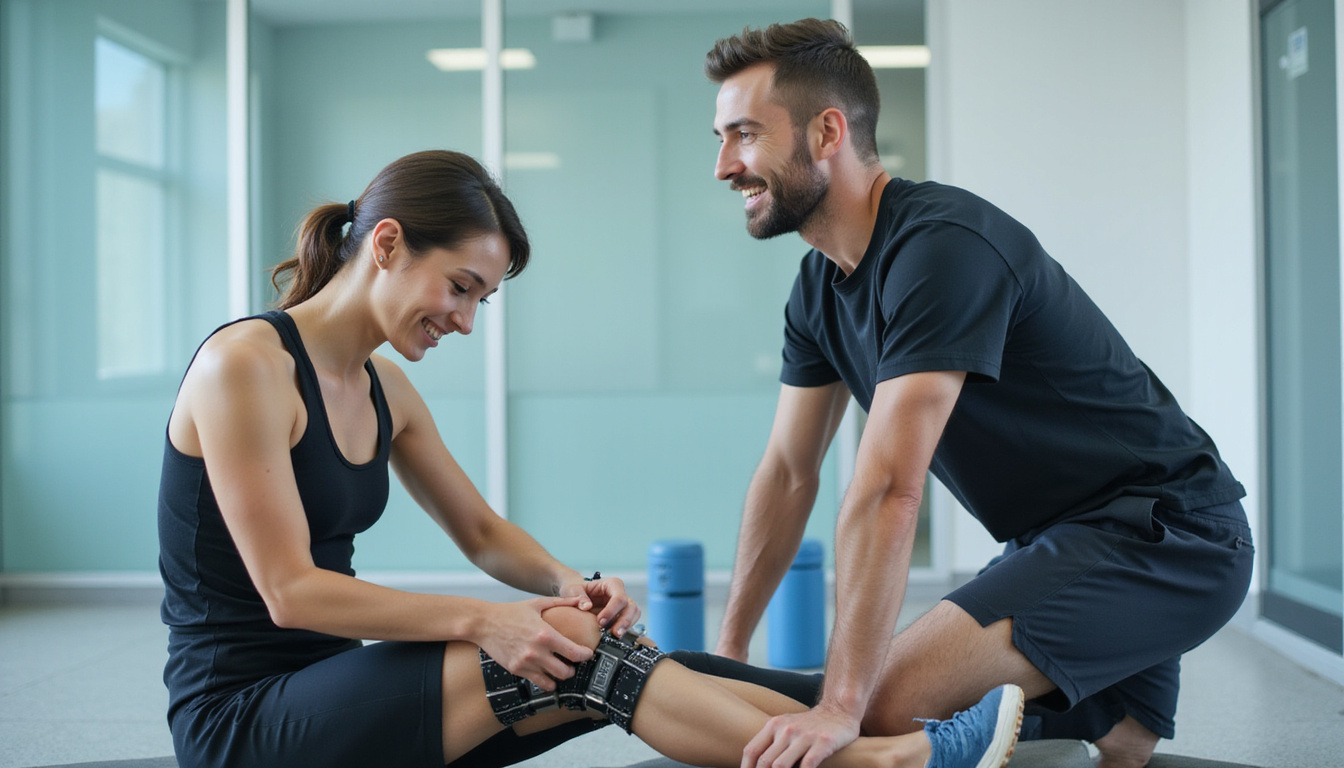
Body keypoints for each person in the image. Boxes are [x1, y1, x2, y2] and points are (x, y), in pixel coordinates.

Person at [157, 148, 1023, 768]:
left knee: (616, 652)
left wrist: (570, 582)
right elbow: (290, 592)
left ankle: (870, 733)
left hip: (339, 690)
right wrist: (484, 620)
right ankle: (876, 761)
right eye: (459, 287)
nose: (463, 320)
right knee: (579, 654)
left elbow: (484, 533)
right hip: (242, 721)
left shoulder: (387, 391)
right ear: (385, 244)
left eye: (481, 302)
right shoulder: (246, 367)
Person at [685, 18, 1255, 768]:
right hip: (1056, 543)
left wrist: (841, 707)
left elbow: (890, 485)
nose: (725, 165)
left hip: (1169, 536)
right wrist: (725, 660)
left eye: (745, 135)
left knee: (879, 704)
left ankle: (985, 724)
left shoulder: (941, 247)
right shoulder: (817, 288)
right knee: (1125, 744)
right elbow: (788, 474)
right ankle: (1101, 711)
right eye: (721, 138)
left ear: (827, 132)